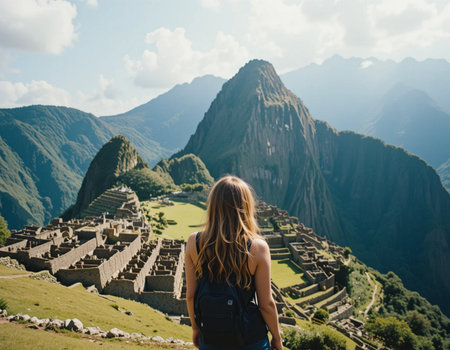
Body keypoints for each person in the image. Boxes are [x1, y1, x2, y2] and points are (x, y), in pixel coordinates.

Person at [185, 175, 283, 350]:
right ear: (245, 206)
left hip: (211, 338)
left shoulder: (194, 242)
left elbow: (191, 295)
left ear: (213, 206)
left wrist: (195, 328)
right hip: (250, 339)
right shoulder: (257, 248)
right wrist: (277, 338)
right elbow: (266, 304)